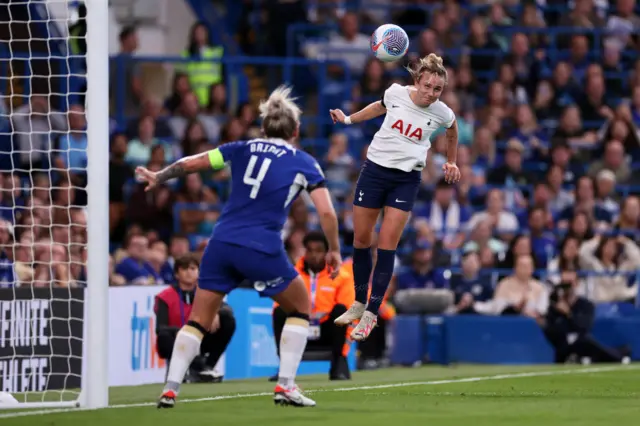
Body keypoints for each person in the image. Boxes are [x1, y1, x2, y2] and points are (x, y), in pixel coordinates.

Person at [136, 86, 342, 408]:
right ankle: (286, 385)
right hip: (261, 245)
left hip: (221, 244)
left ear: (263, 128)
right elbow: (327, 212)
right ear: (296, 130)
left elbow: (194, 162)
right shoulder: (304, 162)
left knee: (198, 319)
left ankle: (170, 388)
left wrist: (160, 176)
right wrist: (335, 249)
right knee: (301, 307)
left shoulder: (240, 148)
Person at [328, 53, 461, 341]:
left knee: (386, 246)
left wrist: (452, 161)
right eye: (427, 86)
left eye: (437, 89)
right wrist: (349, 119)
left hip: (405, 179)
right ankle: (359, 303)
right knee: (362, 240)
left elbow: (452, 129)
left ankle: (371, 313)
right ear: (417, 80)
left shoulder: (441, 111)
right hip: (374, 172)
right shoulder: (396, 92)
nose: (430, 93)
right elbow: (379, 107)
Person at [272, 231, 354, 380]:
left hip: (327, 330)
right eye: (309, 250)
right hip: (299, 327)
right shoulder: (291, 275)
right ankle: (284, 366)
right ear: (304, 251)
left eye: (319, 251)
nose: (314, 255)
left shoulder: (341, 276)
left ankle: (338, 364)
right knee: (279, 311)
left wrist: (344, 351)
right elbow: (280, 302)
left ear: (327, 253)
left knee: (341, 310)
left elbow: (350, 313)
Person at [155, 254, 236, 383]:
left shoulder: (205, 293)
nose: (189, 272)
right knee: (164, 336)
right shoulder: (165, 297)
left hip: (200, 340)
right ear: (177, 274)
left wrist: (215, 312)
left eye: (193, 269)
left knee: (227, 319)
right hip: (176, 340)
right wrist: (184, 332)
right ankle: (198, 367)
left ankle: (207, 366)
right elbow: (160, 327)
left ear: (198, 272)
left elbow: (227, 309)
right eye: (185, 269)